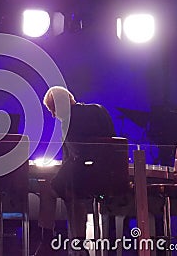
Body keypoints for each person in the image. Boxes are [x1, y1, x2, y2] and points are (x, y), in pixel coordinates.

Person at [36, 86, 115, 255]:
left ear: (60, 105)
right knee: (70, 190)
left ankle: (47, 241)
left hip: (86, 177)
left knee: (50, 188)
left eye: (52, 110)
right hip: (110, 176)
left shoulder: (68, 121)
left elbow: (75, 155)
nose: (52, 115)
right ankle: (78, 244)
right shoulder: (99, 110)